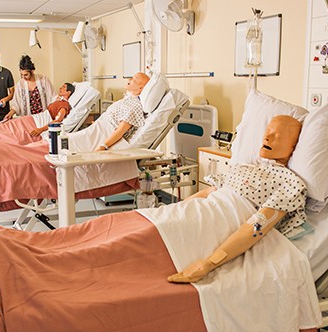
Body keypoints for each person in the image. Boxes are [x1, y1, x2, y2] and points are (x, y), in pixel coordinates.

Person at [167, 114, 306, 283]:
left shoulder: (289, 182)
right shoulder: (243, 167)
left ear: (294, 146)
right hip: (197, 212)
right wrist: (170, 212)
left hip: (218, 221)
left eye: (277, 135)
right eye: (267, 132)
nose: (267, 137)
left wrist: (210, 262)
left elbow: (257, 226)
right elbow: (207, 193)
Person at [93, 71, 150, 151]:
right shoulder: (127, 100)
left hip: (103, 134)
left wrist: (103, 146)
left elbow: (120, 131)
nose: (130, 79)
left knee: (71, 145)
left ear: (141, 88)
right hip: (97, 129)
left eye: (134, 79)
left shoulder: (135, 106)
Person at [6, 54, 57, 119]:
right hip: (28, 119)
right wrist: (10, 114)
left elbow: (52, 97)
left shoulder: (43, 80)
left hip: (43, 117)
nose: (23, 77)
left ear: (32, 71)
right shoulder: (20, 85)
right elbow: (16, 104)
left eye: (26, 75)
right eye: (21, 74)